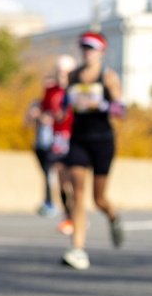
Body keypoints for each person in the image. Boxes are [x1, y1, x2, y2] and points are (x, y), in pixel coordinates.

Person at [60, 32, 124, 271]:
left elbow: (122, 110)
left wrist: (105, 104)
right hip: (78, 139)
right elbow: (65, 105)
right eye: (84, 48)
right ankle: (77, 249)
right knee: (77, 193)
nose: (87, 52)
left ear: (102, 52)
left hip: (103, 140)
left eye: (92, 48)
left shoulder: (107, 76)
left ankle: (113, 216)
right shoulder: (73, 75)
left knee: (99, 199)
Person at [26, 55, 75, 219]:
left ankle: (73, 214)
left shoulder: (76, 90)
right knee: (54, 174)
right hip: (53, 139)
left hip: (70, 138)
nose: (61, 75)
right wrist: (39, 115)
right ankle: (59, 209)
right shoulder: (50, 89)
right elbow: (45, 109)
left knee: (68, 180)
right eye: (59, 71)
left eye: (65, 72)